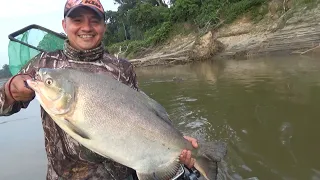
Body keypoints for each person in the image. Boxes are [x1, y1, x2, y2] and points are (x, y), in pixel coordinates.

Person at [0, 0, 199, 179]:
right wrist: (10, 90)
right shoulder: (44, 66)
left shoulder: (122, 68)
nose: (86, 27)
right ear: (64, 25)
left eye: (94, 21)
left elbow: (143, 118)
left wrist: (175, 142)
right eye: (77, 20)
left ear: (104, 26)